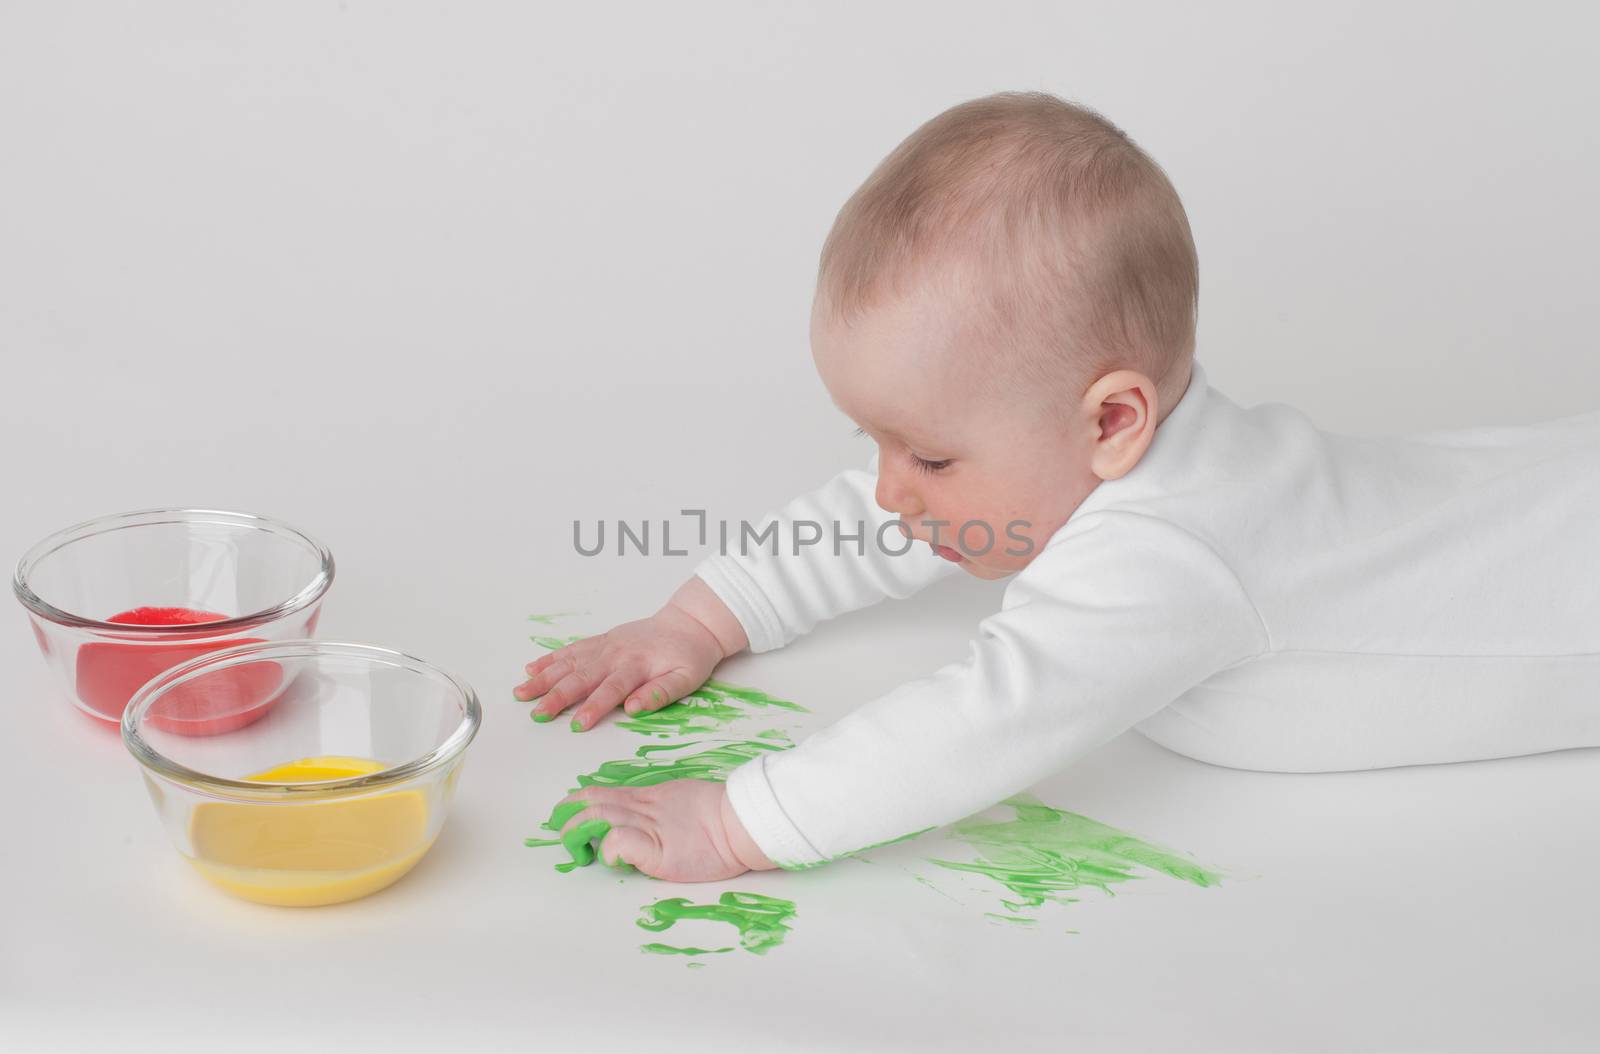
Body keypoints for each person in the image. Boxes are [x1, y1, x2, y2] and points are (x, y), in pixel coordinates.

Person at [514, 90, 1600, 881]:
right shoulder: (1065, 458)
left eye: (927, 457)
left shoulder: (1165, 555)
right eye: (878, 441)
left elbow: (982, 720)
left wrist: (742, 820)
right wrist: (702, 618)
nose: (891, 490)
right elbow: (875, 520)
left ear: (1111, 420)